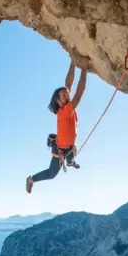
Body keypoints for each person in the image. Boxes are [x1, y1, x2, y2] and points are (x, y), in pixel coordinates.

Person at [26, 56, 90, 194]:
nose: (68, 96)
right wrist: (84, 69)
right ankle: (31, 179)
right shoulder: (66, 111)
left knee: (71, 154)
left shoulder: (65, 107)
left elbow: (68, 84)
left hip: (67, 146)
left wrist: (73, 63)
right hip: (60, 149)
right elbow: (79, 92)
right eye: (64, 96)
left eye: (67, 95)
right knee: (52, 173)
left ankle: (70, 161)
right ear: (58, 101)